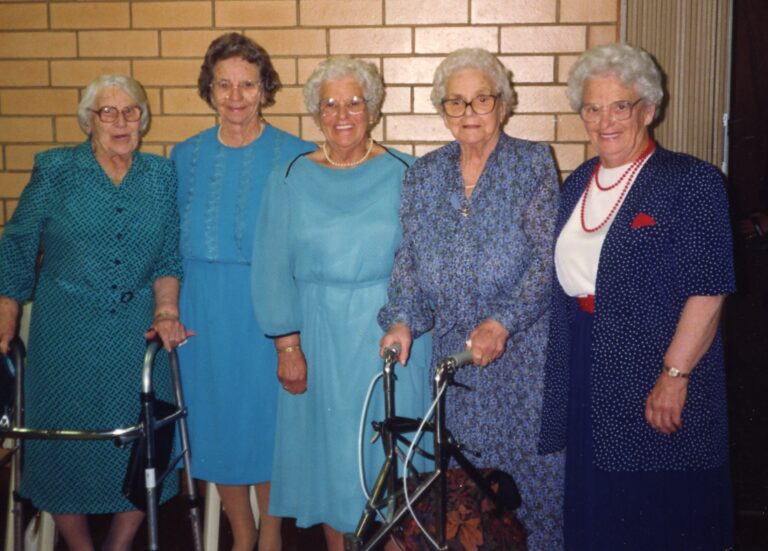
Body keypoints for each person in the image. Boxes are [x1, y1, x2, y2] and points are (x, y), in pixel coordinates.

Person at [539, 43, 735, 550]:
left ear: (648, 109)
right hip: (588, 362)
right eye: (592, 108)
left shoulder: (691, 181)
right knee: (598, 510)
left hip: (657, 366)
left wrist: (675, 375)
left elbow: (708, 291)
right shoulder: (578, 183)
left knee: (656, 513)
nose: (604, 121)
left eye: (619, 106)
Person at [378, 48, 564, 551]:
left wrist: (504, 321)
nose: (469, 113)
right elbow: (409, 259)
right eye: (455, 102)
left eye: (481, 99)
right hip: (455, 359)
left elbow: (548, 260)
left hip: (522, 355)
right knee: (465, 488)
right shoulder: (423, 174)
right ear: (442, 111)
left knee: (531, 484)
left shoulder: (531, 163)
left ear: (502, 103)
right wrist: (402, 320)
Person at [0, 74, 189, 551]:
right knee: (61, 445)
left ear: (143, 120)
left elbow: (168, 256)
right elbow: (19, 242)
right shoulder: (56, 169)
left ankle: (118, 545)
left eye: (131, 111)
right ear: (89, 121)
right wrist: (6, 312)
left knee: (144, 441)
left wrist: (167, 310)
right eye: (108, 112)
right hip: (66, 329)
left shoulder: (160, 175)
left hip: (136, 330)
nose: (121, 121)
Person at [252, 56, 432, 551]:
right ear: (315, 113)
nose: (342, 114)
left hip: (389, 334)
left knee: (394, 463)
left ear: (373, 108)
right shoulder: (289, 175)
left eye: (354, 102)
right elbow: (270, 266)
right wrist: (287, 346)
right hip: (319, 336)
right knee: (332, 463)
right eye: (329, 104)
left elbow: (426, 262)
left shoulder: (408, 172)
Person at [171, 32, 314, 551]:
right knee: (216, 426)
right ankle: (241, 532)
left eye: (248, 84)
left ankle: (271, 535)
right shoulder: (184, 155)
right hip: (203, 311)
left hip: (268, 311)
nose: (236, 96)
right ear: (208, 90)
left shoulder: (297, 155)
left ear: (265, 89)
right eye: (224, 84)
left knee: (269, 427)